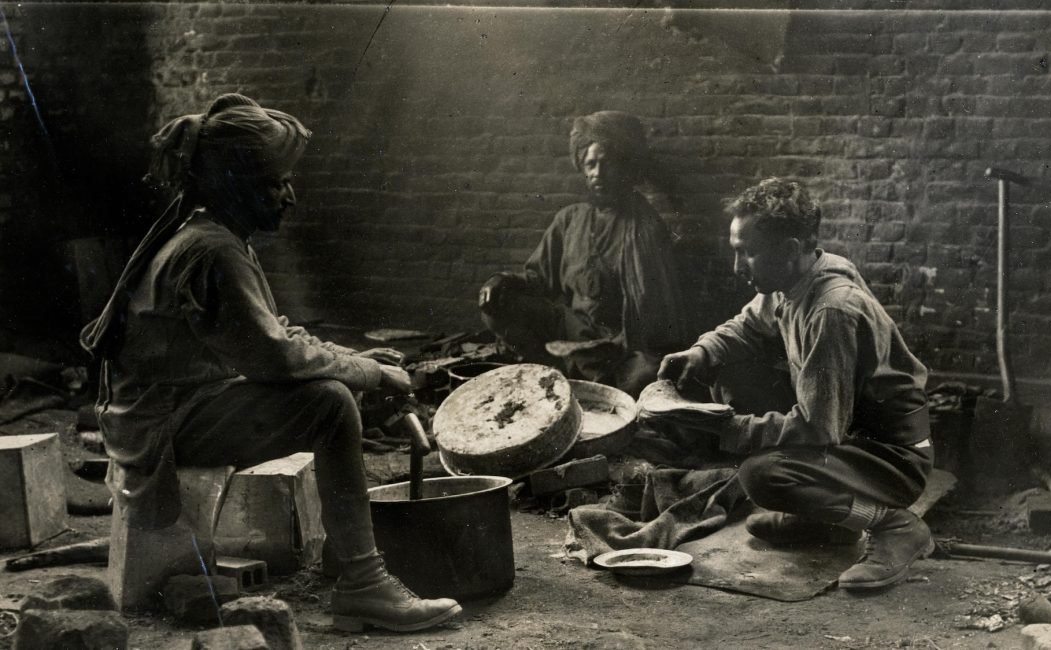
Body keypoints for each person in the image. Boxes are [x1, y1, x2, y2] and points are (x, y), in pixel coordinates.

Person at [80, 94, 461, 631]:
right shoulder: (213, 250)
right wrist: (369, 374)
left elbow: (273, 332)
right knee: (328, 403)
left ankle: (351, 565)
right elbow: (276, 358)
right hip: (161, 429)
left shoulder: (213, 237)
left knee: (332, 387)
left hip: (177, 406)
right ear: (235, 184)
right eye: (274, 183)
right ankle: (363, 583)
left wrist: (351, 358)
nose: (290, 196)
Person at [658, 177, 934, 590]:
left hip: (890, 456)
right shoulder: (793, 280)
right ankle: (829, 520)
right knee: (726, 369)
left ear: (789, 251)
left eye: (747, 254)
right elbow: (748, 325)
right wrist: (702, 352)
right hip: (851, 436)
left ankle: (894, 526)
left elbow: (820, 428)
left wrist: (729, 428)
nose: (737, 268)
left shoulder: (831, 311)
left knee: (763, 475)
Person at [478, 110, 689, 397]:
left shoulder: (644, 226)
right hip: (568, 330)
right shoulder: (569, 219)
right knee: (500, 304)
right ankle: (548, 371)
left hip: (618, 345)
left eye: (607, 164)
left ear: (625, 167)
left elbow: (655, 316)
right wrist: (502, 280)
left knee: (646, 378)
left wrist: (624, 346)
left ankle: (584, 381)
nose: (597, 174)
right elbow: (538, 279)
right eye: (590, 164)